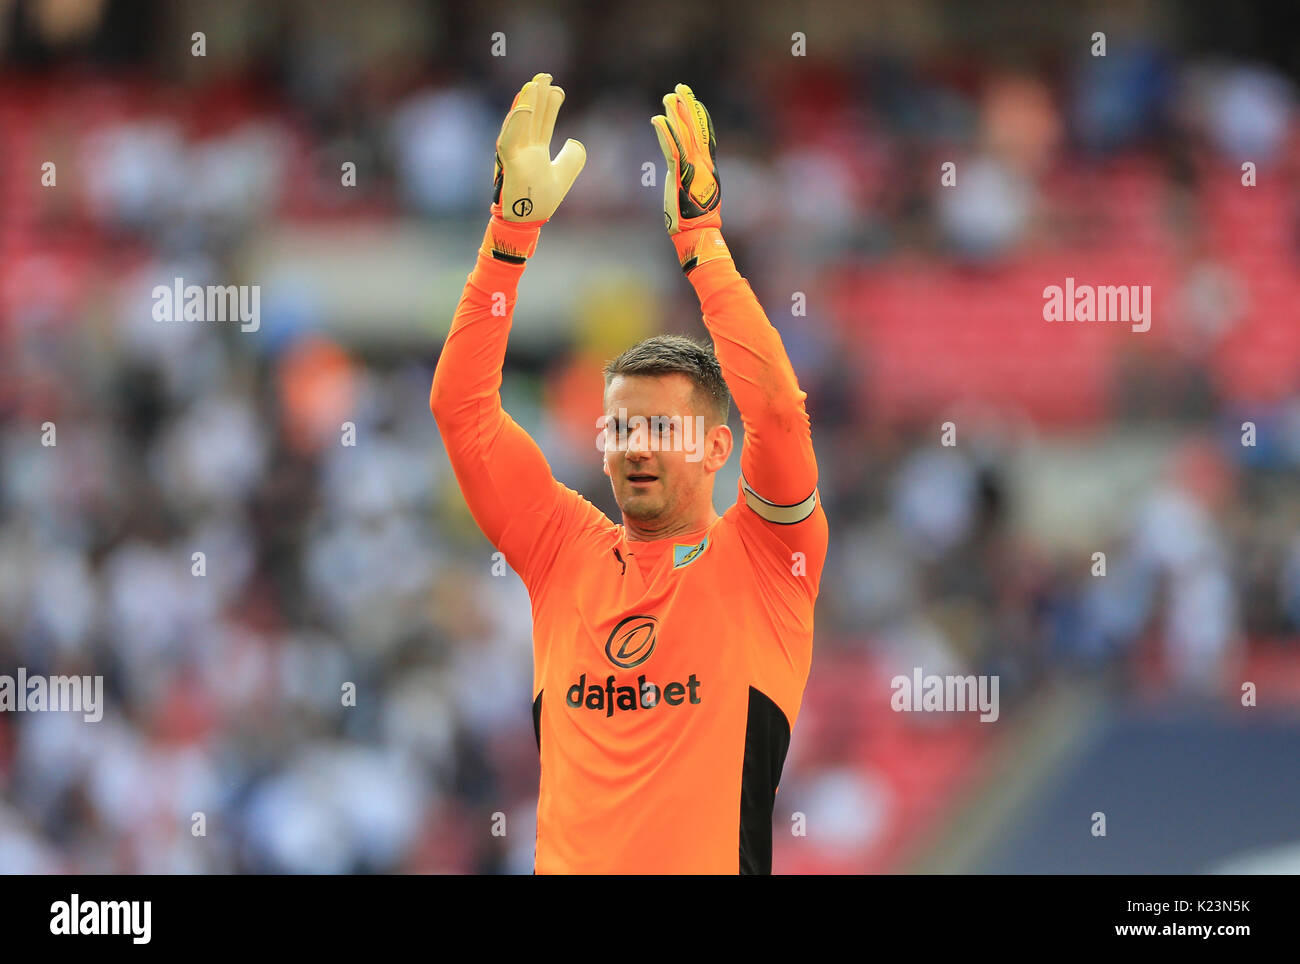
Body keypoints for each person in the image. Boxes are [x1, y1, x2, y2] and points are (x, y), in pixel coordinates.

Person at [430, 73, 828, 874]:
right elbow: (462, 410)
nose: (636, 447)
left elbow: (780, 414)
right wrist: (507, 243)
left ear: (717, 448)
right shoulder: (562, 551)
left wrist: (704, 246)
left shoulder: (768, 562)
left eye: (661, 427)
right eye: (622, 427)